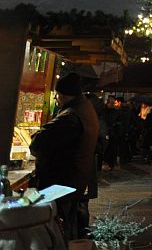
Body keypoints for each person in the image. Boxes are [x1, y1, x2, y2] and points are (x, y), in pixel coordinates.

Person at [29, 72, 99, 242]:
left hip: (60, 183)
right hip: (74, 180)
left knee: (56, 228)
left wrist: (35, 136)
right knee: (66, 226)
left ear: (62, 95)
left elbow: (39, 143)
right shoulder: (85, 109)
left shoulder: (70, 117)